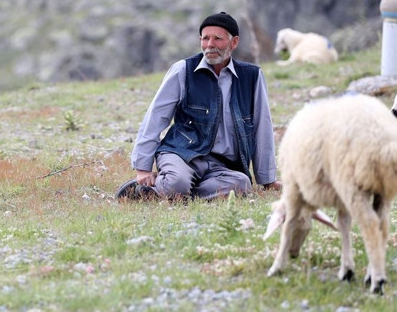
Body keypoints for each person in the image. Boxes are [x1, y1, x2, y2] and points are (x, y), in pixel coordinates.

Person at [116, 11, 281, 201]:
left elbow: (263, 127)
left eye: (217, 39)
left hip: (222, 166)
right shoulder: (183, 70)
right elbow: (156, 117)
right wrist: (143, 168)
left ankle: (160, 194)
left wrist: (267, 179)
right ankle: (167, 189)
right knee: (178, 182)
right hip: (180, 154)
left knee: (241, 184)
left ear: (233, 42)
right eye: (205, 38)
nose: (210, 45)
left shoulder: (252, 76)